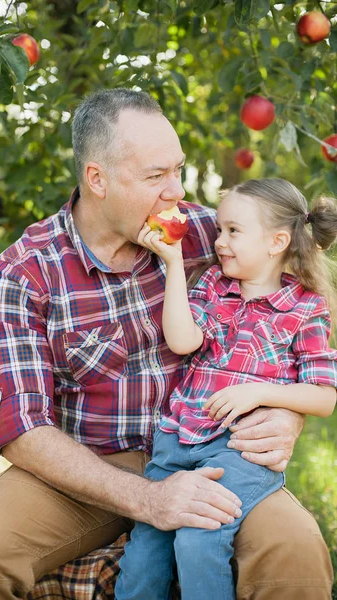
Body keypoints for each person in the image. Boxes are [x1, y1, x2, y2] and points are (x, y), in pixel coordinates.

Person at [0, 89, 333, 600]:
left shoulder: (207, 236)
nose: (176, 191)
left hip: (211, 450)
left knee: (293, 551)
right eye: (155, 176)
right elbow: (23, 428)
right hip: (89, 468)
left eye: (178, 170)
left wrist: (287, 412)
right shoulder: (25, 272)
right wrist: (149, 499)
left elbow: (299, 308)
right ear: (97, 179)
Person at [115, 178, 337, 600]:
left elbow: (324, 396)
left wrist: (259, 393)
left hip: (239, 452)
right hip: (176, 440)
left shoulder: (306, 307)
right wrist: (174, 263)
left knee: (198, 538)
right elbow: (183, 340)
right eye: (220, 229)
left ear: (277, 242)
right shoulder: (216, 285)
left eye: (234, 231)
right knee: (145, 552)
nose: (220, 241)